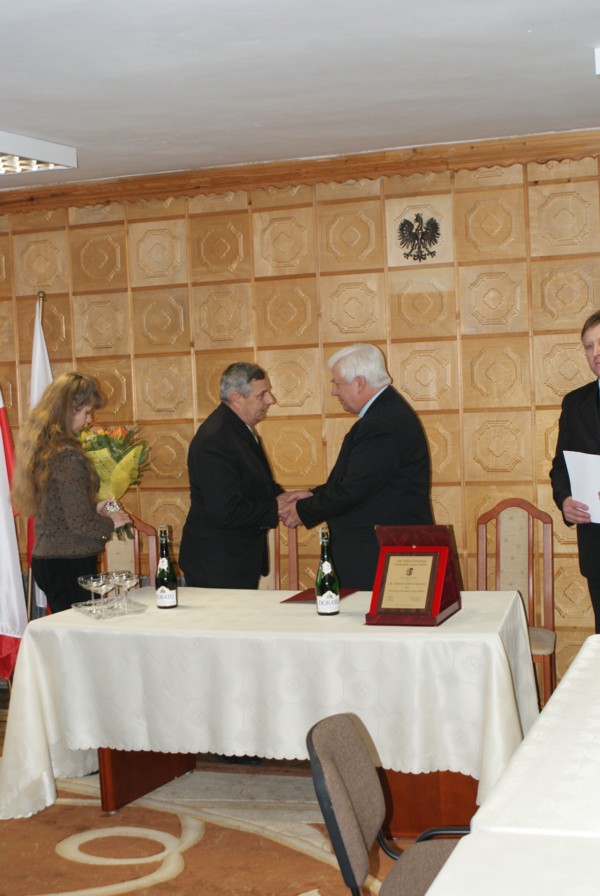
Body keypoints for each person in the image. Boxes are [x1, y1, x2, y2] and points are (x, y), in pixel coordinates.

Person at [279, 343, 433, 590]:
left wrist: (303, 510)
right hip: (380, 552)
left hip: (379, 557)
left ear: (359, 382)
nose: (333, 392)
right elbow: (356, 481)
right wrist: (312, 496)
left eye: (337, 383)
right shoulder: (386, 414)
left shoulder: (380, 424)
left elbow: (352, 490)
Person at [11, 372, 132, 613]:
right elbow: (79, 522)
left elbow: (57, 505)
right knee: (77, 632)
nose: (89, 420)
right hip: (68, 563)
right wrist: (113, 522)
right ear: (70, 410)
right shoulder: (67, 456)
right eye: (86, 412)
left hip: (51, 559)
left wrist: (93, 507)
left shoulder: (44, 448)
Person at [179, 362, 298, 589]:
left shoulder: (237, 429)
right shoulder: (215, 439)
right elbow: (225, 511)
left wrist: (287, 498)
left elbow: (257, 484)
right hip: (217, 566)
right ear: (236, 398)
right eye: (262, 394)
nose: (270, 400)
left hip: (234, 561)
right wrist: (276, 507)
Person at [550, 310, 600, 633]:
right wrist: (565, 500)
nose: (596, 353)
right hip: (597, 545)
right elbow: (560, 467)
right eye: (589, 346)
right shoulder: (574, 403)